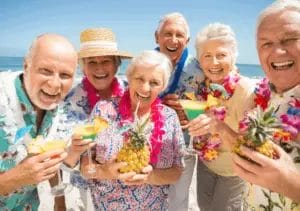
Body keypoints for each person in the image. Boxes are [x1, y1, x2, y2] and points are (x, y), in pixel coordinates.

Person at [81, 50, 185, 210]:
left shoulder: (170, 117)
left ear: (163, 86)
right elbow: (85, 166)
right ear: (129, 78)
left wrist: (151, 177)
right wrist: (105, 171)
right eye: (140, 79)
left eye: (154, 82)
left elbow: (178, 171)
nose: (145, 88)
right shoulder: (103, 110)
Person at [231, 0, 300, 209]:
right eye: (266, 43)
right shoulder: (259, 96)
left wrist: (289, 183)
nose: (278, 52)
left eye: (289, 39)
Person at [0, 34, 77, 210]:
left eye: (65, 75)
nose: (55, 84)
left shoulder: (56, 108)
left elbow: (49, 153)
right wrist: (16, 177)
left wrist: (60, 202)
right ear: (26, 66)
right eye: (45, 71)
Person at [59, 28, 133, 210]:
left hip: (128, 182)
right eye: (92, 62)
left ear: (117, 65)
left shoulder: (132, 93)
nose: (99, 68)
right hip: (87, 187)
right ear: (83, 67)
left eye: (106, 61)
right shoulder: (70, 100)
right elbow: (64, 161)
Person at [186, 23, 255, 210]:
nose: (214, 63)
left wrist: (220, 127)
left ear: (234, 56)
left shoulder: (247, 91)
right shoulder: (202, 85)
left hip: (234, 171)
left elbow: (252, 148)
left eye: (221, 55)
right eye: (207, 56)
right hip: (206, 165)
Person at [155, 12, 204, 210]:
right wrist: (157, 106)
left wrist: (191, 114)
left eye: (179, 35)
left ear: (188, 40)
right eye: (167, 33)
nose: (173, 40)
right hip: (151, 143)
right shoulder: (147, 65)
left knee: (178, 200)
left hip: (184, 145)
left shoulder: (200, 68)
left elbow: (215, 103)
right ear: (156, 37)